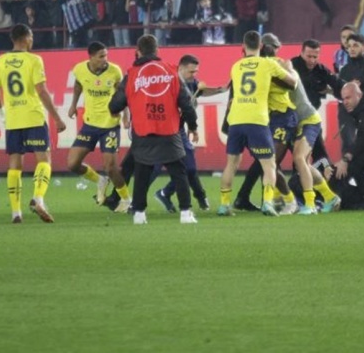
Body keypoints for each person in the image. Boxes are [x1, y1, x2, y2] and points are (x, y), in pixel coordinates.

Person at [108, 34, 199, 225]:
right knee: (179, 171)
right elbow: (187, 103)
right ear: (158, 51)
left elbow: (114, 106)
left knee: (142, 171)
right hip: (169, 129)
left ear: (138, 52)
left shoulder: (131, 75)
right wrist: (193, 126)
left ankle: (139, 214)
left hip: (143, 130)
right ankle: (185, 213)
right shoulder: (171, 72)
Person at [0, 24, 66, 224]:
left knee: (15, 163)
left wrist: (2, 114)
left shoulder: (0, 61)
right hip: (33, 116)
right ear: (27, 38)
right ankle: (38, 198)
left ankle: (16, 212)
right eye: (31, 37)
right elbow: (41, 90)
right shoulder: (34, 60)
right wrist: (57, 117)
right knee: (44, 160)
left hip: (13, 119)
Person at [218, 30, 298, 217]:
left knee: (231, 164)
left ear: (243, 47)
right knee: (269, 165)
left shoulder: (236, 66)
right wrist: (290, 69)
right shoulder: (268, 63)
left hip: (236, 120)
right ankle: (268, 204)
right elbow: (292, 83)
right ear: (261, 46)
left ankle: (224, 206)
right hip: (257, 119)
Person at [154, 54, 226, 214]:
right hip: (165, 132)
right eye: (191, 72)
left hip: (180, 131)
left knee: (190, 169)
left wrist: (221, 89)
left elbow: (201, 91)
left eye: (196, 72)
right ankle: (133, 202)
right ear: (180, 68)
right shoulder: (169, 83)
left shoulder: (191, 83)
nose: (194, 75)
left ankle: (165, 193)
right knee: (155, 169)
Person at [67, 41, 130, 212]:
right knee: (72, 164)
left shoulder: (114, 71)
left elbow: (123, 94)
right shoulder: (79, 69)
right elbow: (79, 84)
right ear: (91, 57)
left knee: (110, 167)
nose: (105, 59)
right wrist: (73, 105)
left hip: (110, 124)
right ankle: (100, 181)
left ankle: (126, 199)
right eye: (101, 56)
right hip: (89, 124)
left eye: (106, 55)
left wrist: (125, 116)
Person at [290, 39, 343, 166]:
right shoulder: (291, 66)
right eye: (309, 56)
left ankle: (314, 182)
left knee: (319, 156)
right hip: (289, 120)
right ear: (301, 53)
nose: (312, 60)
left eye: (315, 56)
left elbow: (338, 85)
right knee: (277, 159)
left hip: (310, 120)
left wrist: (350, 88)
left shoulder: (321, 70)